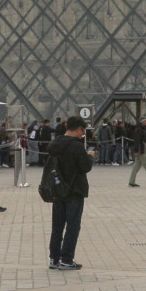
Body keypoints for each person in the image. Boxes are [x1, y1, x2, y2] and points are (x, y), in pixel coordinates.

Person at [47, 116, 96, 270]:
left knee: (57, 225)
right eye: (83, 131)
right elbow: (85, 167)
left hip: (57, 189)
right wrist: (90, 156)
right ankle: (67, 259)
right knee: (73, 225)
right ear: (79, 129)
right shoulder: (76, 146)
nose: (83, 135)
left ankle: (54, 258)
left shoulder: (55, 144)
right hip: (74, 190)